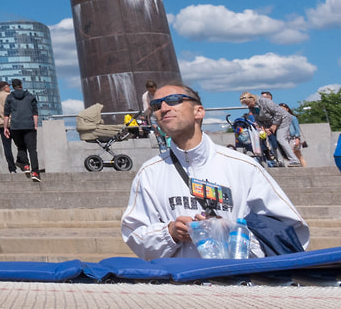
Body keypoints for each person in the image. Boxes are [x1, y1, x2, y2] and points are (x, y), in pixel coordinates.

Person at [121, 84, 308, 259]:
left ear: (199, 111)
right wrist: (170, 233)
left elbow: (293, 230)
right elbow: (134, 234)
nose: (163, 107)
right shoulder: (149, 173)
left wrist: (233, 233)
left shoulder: (243, 166)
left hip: (240, 286)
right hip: (180, 288)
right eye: (155, 105)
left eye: (174, 100)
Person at [3, 78, 42, 182]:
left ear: (13, 86)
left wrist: (6, 127)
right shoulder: (30, 96)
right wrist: (35, 125)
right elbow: (35, 112)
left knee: (21, 147)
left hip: (15, 127)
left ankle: (26, 166)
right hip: (29, 125)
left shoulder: (10, 97)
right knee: (32, 149)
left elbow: (6, 114)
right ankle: (35, 172)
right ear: (21, 85)